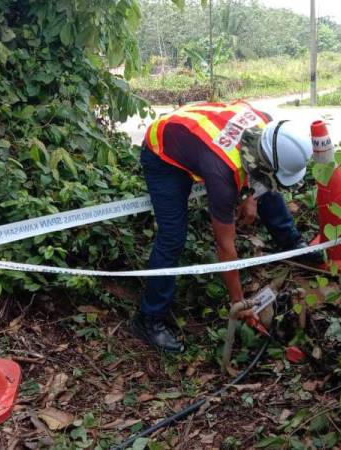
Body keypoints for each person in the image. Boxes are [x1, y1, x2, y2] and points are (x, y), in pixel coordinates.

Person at [131, 100, 322, 353]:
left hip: (198, 134)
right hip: (163, 152)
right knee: (172, 236)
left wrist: (253, 195)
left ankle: (292, 244)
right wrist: (238, 302)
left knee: (270, 188)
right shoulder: (222, 174)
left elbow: (263, 173)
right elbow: (224, 246)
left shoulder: (266, 125)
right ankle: (149, 318)